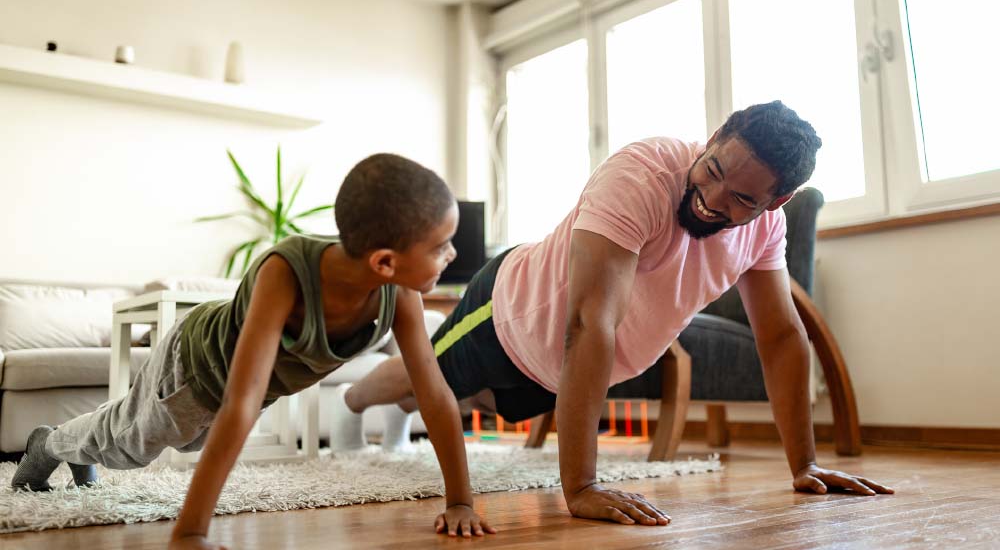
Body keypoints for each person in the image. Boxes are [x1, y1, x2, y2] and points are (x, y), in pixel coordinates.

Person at [333, 101, 894, 527]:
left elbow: (779, 337)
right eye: (716, 169)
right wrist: (580, 487)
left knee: (468, 402)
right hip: (510, 314)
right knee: (425, 375)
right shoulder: (642, 175)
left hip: (561, 371)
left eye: (743, 199)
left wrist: (805, 465)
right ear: (716, 136)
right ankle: (351, 404)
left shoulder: (766, 230)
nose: (714, 197)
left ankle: (402, 410)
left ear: (777, 202)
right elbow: (590, 322)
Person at [11, 153, 497, 547]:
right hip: (194, 367)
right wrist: (191, 533)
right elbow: (240, 403)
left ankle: (74, 441)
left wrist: (460, 501)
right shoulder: (284, 271)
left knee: (163, 436)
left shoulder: (402, 296)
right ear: (385, 262)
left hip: (240, 385)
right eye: (442, 246)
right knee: (131, 448)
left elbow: (433, 394)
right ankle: (48, 444)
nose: (452, 255)